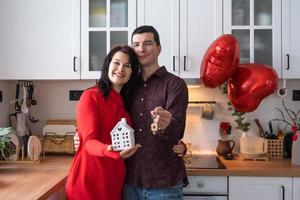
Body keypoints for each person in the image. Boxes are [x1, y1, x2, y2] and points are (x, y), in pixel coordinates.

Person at [65, 45, 141, 200]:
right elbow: (88, 142)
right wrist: (109, 150)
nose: (121, 69)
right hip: (88, 183)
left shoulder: (126, 104)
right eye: (116, 63)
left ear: (132, 72)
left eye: (127, 65)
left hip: (113, 182)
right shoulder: (91, 97)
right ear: (108, 64)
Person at [123, 25, 188, 200]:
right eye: (136, 44)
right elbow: (108, 115)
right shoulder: (127, 85)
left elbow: (177, 131)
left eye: (147, 43)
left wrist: (167, 124)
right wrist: (80, 136)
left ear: (159, 48)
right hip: (130, 181)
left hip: (164, 182)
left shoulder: (175, 84)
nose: (141, 49)